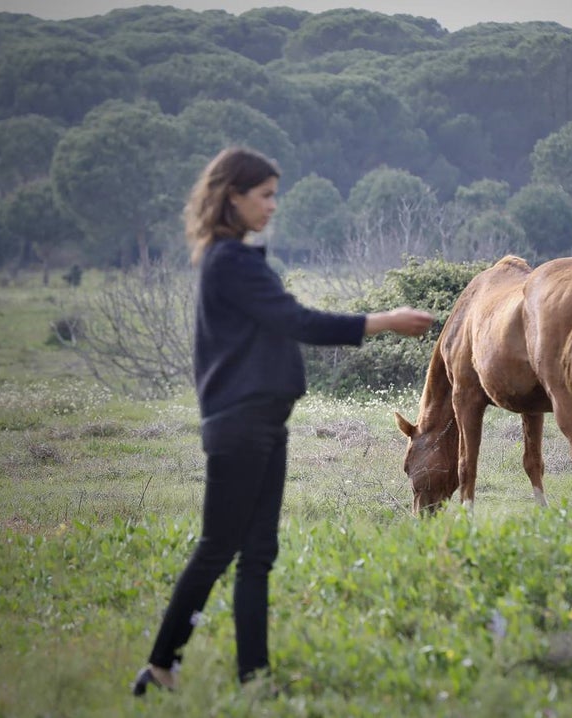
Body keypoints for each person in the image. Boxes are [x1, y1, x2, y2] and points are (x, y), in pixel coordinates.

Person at [132, 147, 435, 695]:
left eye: (275, 194)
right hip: (241, 425)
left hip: (262, 422)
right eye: (266, 195)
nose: (274, 205)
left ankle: (254, 679)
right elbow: (298, 321)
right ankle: (160, 665)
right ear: (234, 196)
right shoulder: (230, 262)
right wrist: (383, 320)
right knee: (219, 548)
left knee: (257, 555)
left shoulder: (232, 260)